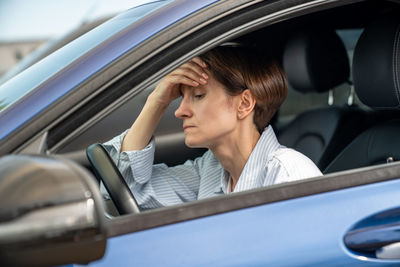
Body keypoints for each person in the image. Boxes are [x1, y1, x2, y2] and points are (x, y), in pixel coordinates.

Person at [103, 46, 322, 210]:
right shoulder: (209, 171)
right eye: (181, 97)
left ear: (244, 104)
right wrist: (156, 102)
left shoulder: (288, 175)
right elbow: (125, 191)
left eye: (198, 96)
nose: (180, 111)